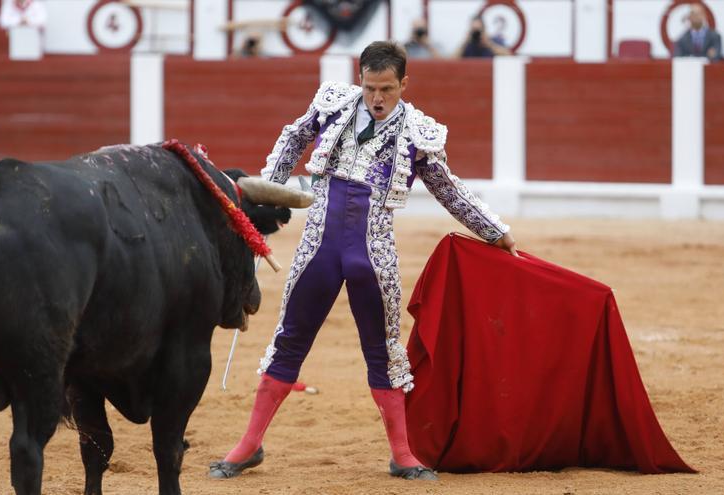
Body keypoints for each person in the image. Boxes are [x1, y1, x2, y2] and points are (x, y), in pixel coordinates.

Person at [208, 41, 517, 481]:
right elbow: (294, 135)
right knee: (290, 336)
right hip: (319, 242)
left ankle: (402, 453)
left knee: (384, 349)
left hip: (373, 250)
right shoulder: (334, 104)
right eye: (370, 87)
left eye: (387, 89)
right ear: (360, 79)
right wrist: (267, 190)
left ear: (404, 84)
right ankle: (249, 444)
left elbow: (448, 188)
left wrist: (495, 230)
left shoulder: (418, 131)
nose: (376, 98)